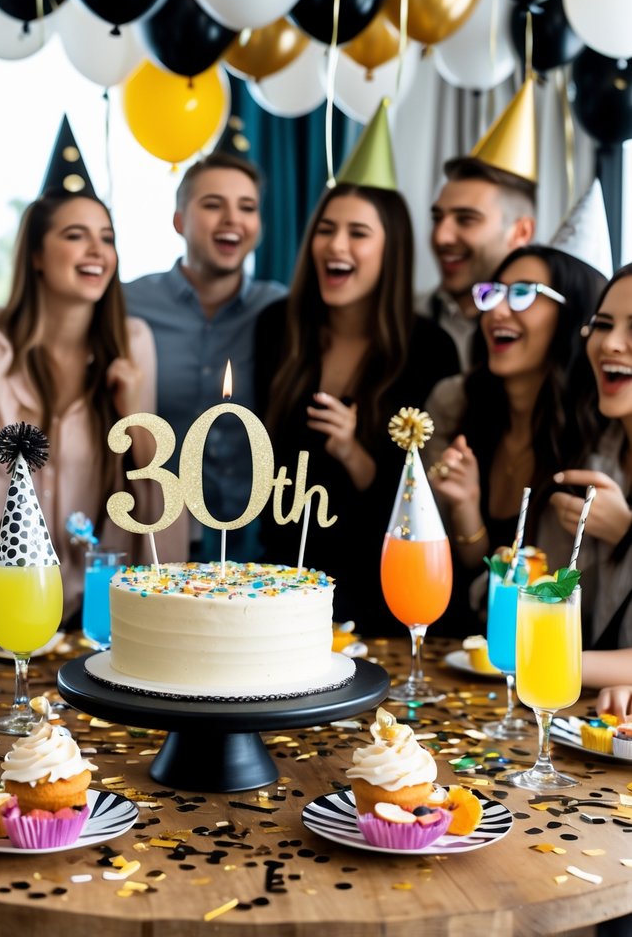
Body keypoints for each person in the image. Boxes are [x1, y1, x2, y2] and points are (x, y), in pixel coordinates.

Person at [0, 190, 186, 634]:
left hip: (93, 612)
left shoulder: (133, 343)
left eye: (107, 237)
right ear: (36, 255)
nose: (98, 251)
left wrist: (134, 415)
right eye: (76, 235)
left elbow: (162, 503)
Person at [255, 182, 459, 633]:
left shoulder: (429, 349)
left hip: (378, 593)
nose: (336, 245)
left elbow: (420, 504)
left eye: (358, 232)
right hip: (281, 583)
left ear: (393, 250)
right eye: (325, 229)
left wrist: (351, 449)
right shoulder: (276, 329)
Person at [427, 245, 605, 625]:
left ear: (573, 315)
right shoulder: (454, 406)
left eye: (524, 293)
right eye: (495, 292)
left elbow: (573, 601)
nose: (498, 310)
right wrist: (464, 510)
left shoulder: (599, 437)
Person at [125, 153, 284, 559]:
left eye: (247, 207)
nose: (232, 218)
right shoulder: (129, 305)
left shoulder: (283, 312)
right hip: (159, 537)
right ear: (179, 221)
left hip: (260, 541)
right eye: (213, 204)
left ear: (259, 227)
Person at [541, 264, 632, 671]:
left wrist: (628, 536)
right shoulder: (593, 459)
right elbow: (545, 596)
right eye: (603, 324)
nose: (611, 343)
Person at [421, 157, 536, 370]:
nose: (441, 237)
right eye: (437, 218)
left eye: (466, 219)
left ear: (521, 232)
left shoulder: (543, 338)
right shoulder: (405, 318)